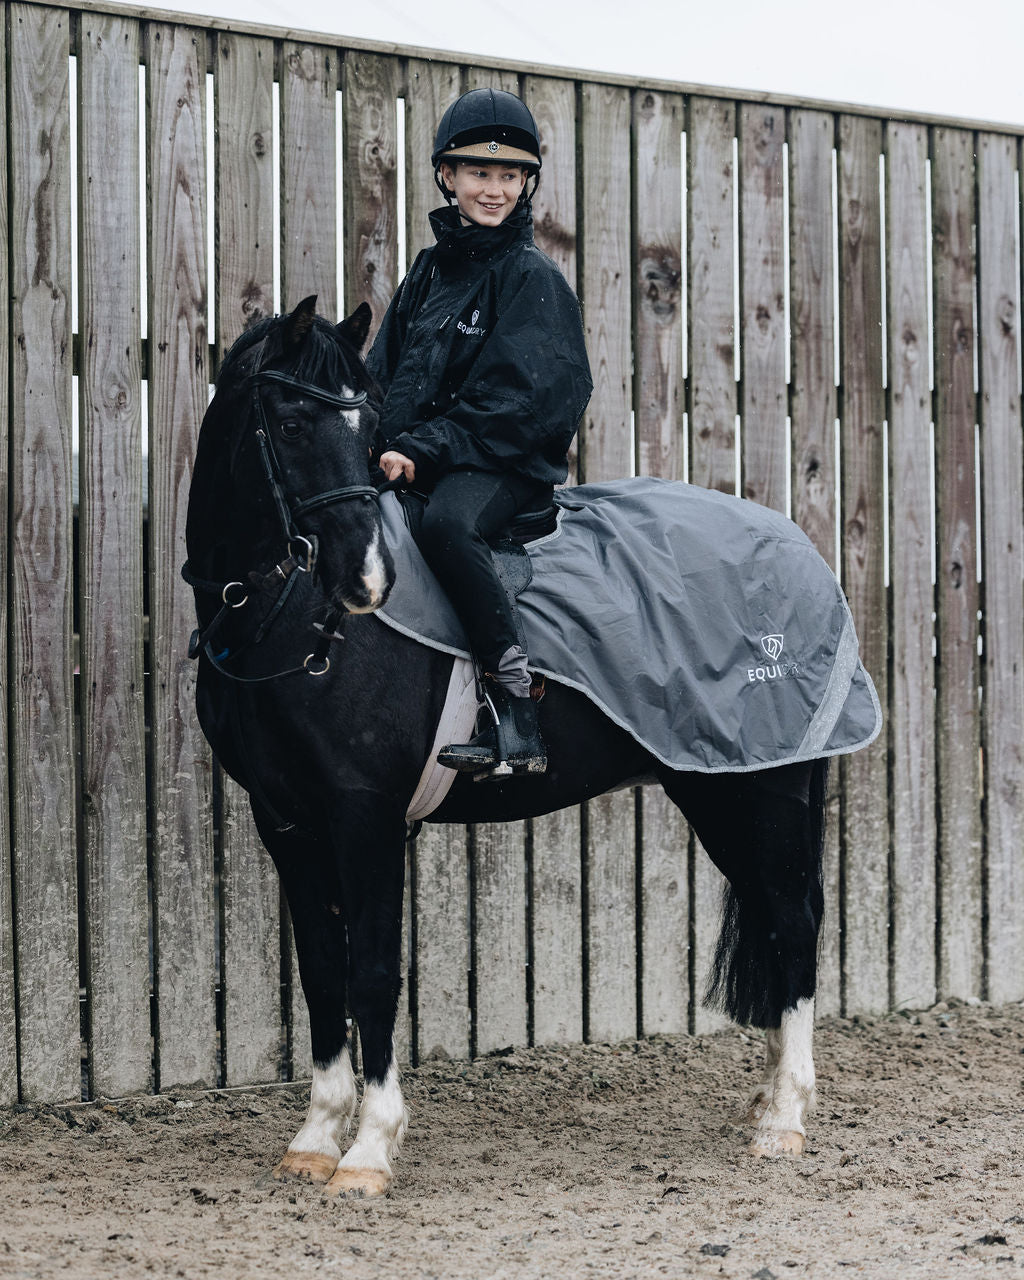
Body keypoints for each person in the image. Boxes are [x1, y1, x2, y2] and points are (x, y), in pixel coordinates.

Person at [367, 87, 592, 777]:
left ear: (526, 183)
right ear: (448, 176)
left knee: (447, 526)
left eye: (508, 175)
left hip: (502, 465)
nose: (494, 189)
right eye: (478, 172)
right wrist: (372, 439)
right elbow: (387, 373)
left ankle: (515, 709)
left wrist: (422, 448)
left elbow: (525, 403)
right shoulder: (428, 271)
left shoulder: (532, 278)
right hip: (427, 455)